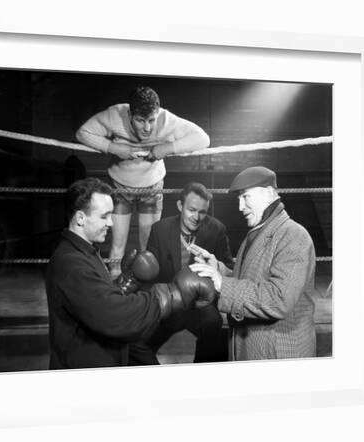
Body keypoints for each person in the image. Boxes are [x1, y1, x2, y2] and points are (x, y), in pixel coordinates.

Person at [45, 177, 217, 369]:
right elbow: (115, 316)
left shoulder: (85, 252)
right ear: (80, 218)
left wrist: (127, 281)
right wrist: (172, 294)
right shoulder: (71, 264)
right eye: (104, 216)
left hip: (98, 358)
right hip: (85, 373)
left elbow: (96, 302)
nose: (111, 223)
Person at [75, 86, 210, 278]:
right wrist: (112, 147)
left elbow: (203, 139)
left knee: (149, 244)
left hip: (152, 187)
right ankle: (114, 288)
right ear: (130, 114)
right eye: (140, 120)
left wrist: (168, 148)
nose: (147, 128)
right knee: (118, 242)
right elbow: (82, 133)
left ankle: (146, 291)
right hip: (120, 186)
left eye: (151, 120)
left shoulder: (166, 119)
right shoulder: (115, 114)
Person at [189, 166, 317, 361]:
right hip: (254, 350)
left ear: (267, 193)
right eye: (238, 199)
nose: (240, 207)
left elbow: (279, 299)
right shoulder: (258, 232)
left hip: (279, 356)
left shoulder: (294, 235)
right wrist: (218, 270)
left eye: (246, 197)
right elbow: (250, 279)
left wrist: (222, 284)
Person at [129, 182, 233, 365]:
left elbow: (229, 268)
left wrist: (216, 266)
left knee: (213, 324)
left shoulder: (217, 229)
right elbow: (151, 274)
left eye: (202, 212)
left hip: (199, 305)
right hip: (169, 303)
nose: (197, 217)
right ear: (180, 206)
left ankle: (200, 377)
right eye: (191, 210)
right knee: (135, 341)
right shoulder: (160, 229)